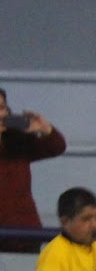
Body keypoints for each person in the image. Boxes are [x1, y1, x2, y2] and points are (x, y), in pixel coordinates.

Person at [0, 88, 68, 254]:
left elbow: (56, 147)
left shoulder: (17, 141)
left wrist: (44, 129)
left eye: (2, 107)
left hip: (25, 233)